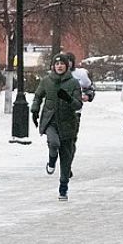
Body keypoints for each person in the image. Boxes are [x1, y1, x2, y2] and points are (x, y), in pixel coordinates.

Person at [32, 54, 83, 200]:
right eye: (57, 64)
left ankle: (63, 187)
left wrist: (68, 98)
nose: (59, 66)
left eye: (62, 64)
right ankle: (52, 159)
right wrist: (35, 110)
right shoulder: (47, 81)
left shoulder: (73, 83)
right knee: (53, 143)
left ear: (67, 66)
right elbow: (38, 95)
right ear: (53, 66)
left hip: (68, 123)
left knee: (66, 158)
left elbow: (78, 104)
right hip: (50, 120)